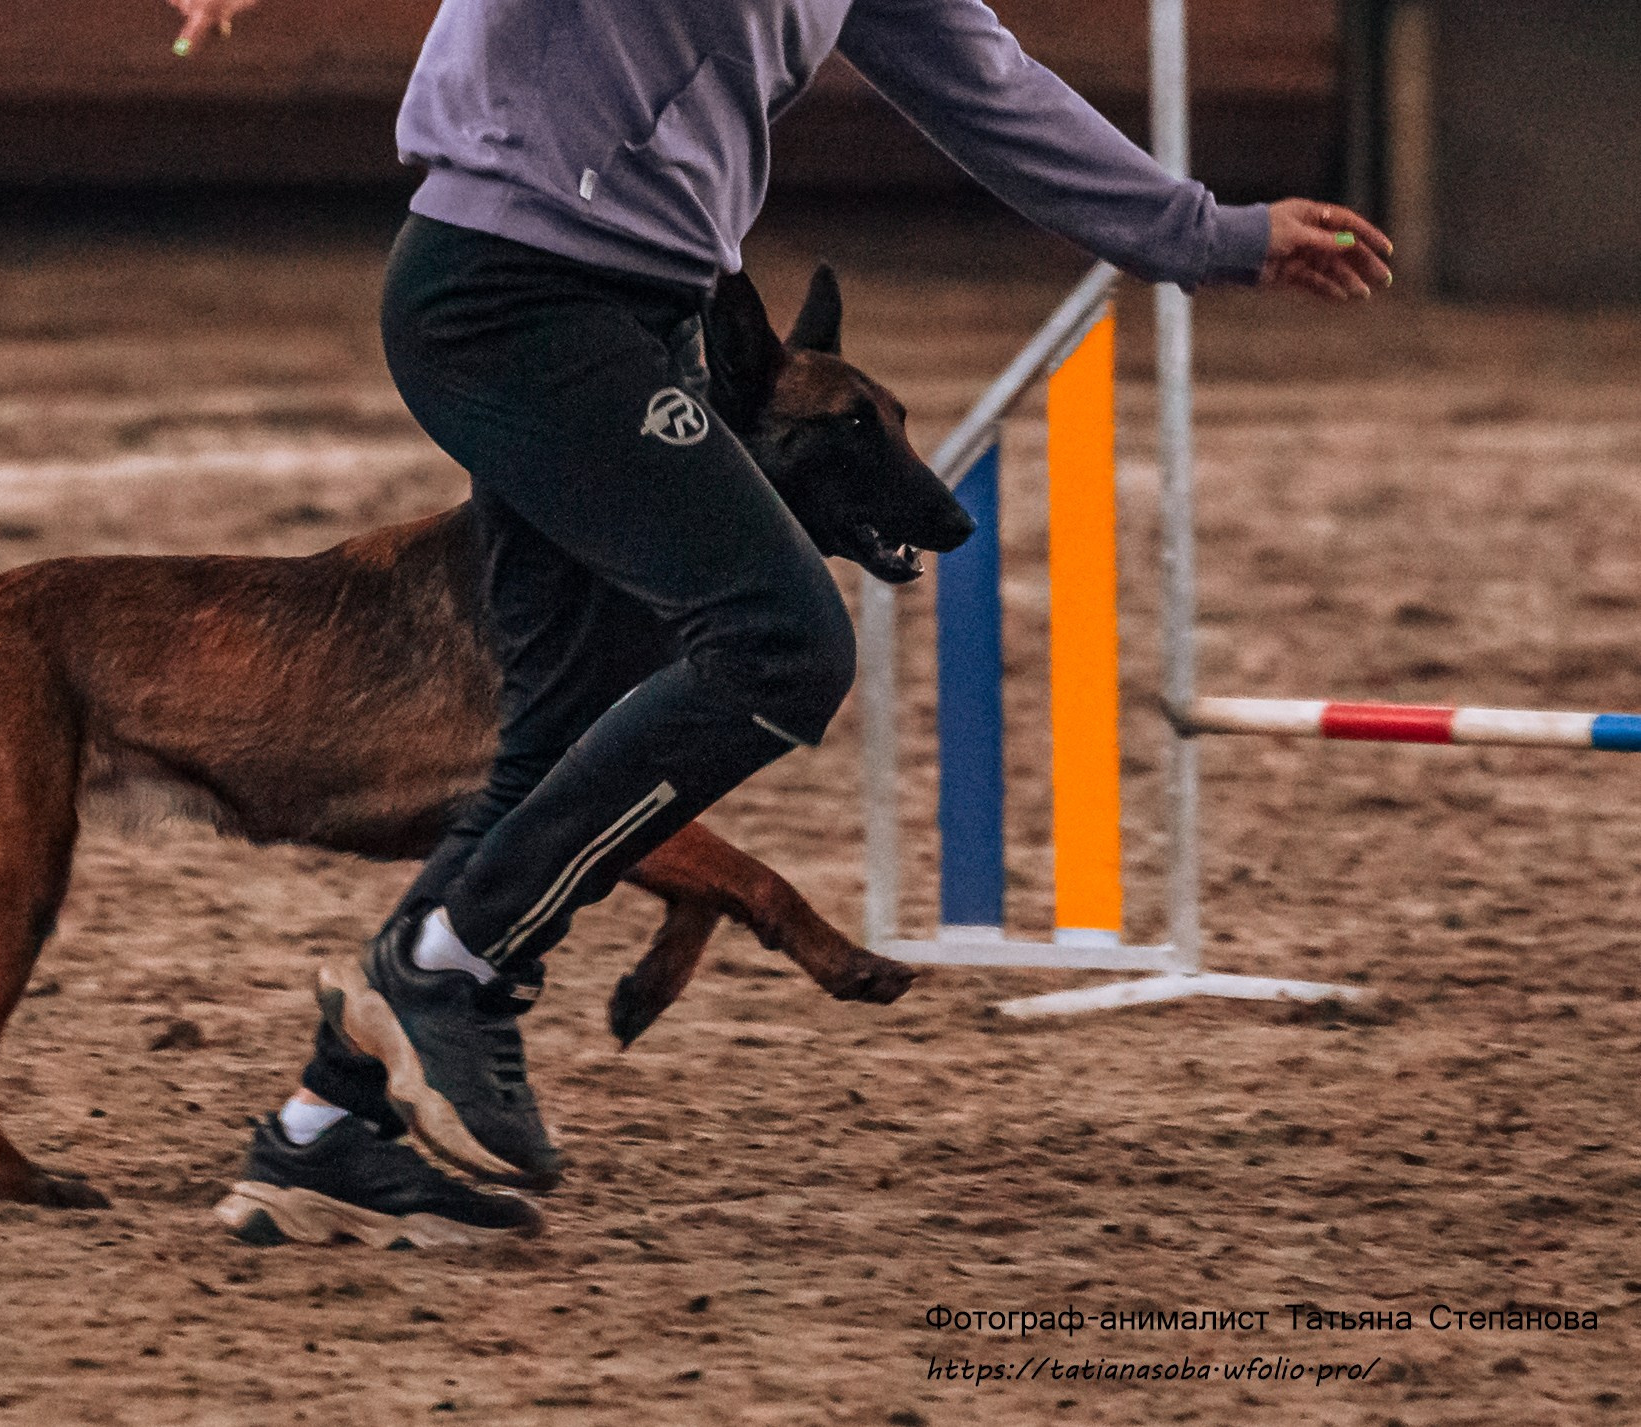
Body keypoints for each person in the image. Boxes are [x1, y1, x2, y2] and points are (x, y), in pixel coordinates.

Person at [170, 0, 1394, 1247]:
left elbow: (982, 82)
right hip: (508, 294)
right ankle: (449, 964)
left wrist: (1208, 232)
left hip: (645, 311)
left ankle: (325, 1136)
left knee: (553, 733)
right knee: (781, 642)